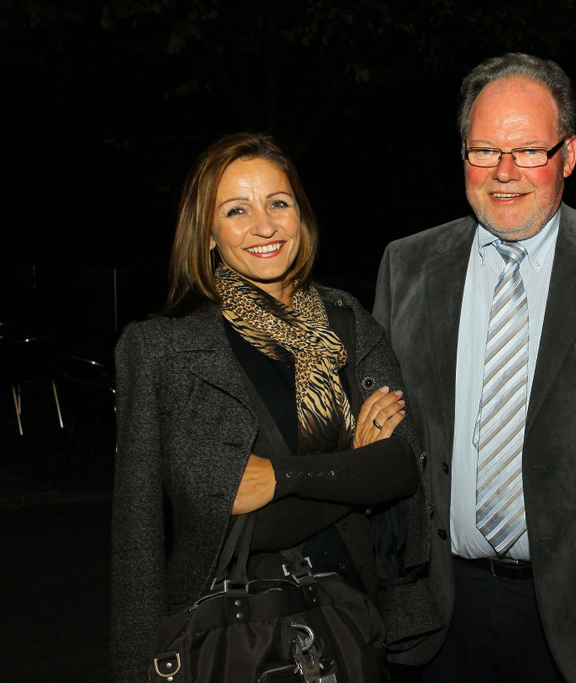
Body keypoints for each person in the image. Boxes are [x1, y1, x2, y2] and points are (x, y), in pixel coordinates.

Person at [373, 53, 576, 683]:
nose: (505, 171)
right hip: (437, 615)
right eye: (484, 150)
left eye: (528, 151)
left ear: (568, 155)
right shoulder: (406, 266)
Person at [110, 133, 439, 683]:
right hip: (234, 640)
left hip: (360, 624)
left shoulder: (347, 322)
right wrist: (354, 473)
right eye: (237, 210)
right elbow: (172, 533)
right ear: (207, 233)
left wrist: (283, 477)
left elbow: (402, 466)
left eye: (278, 203)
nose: (264, 226)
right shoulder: (163, 351)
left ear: (300, 216)